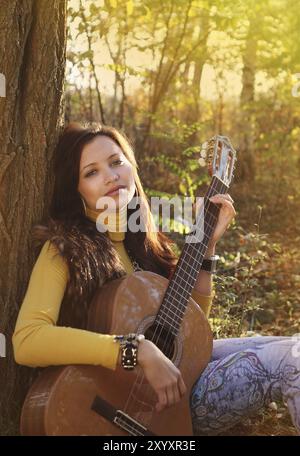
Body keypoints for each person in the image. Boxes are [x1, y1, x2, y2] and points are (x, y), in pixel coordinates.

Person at [12, 122, 300, 435]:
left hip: (178, 387)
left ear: (131, 168)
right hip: (128, 409)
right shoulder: (65, 249)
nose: (110, 176)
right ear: (75, 189)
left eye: (116, 162)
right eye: (91, 172)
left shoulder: (144, 243)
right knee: (290, 361)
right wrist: (137, 350)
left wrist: (208, 244)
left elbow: (190, 332)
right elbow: (28, 340)